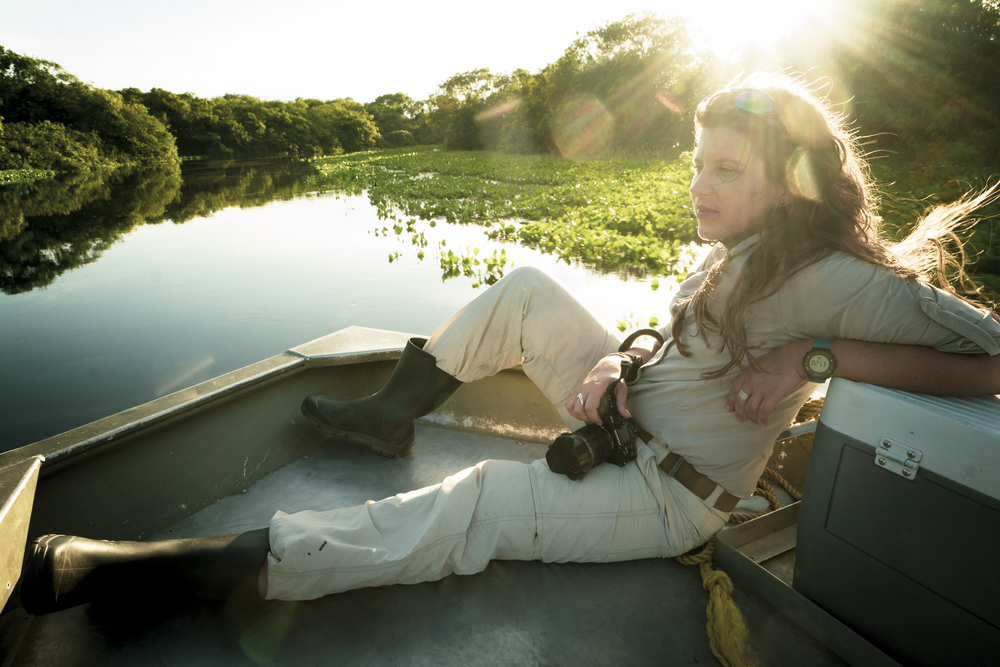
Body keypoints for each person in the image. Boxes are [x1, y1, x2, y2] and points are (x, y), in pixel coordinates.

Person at [20, 73, 1000, 614]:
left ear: (790, 180)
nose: (698, 186)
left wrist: (813, 360)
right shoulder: (737, 247)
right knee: (529, 288)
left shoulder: (834, 276)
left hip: (668, 490)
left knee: (479, 501)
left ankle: (176, 571)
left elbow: (991, 360)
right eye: (694, 161)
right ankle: (389, 416)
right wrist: (620, 360)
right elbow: (676, 332)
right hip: (631, 416)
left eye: (726, 169)